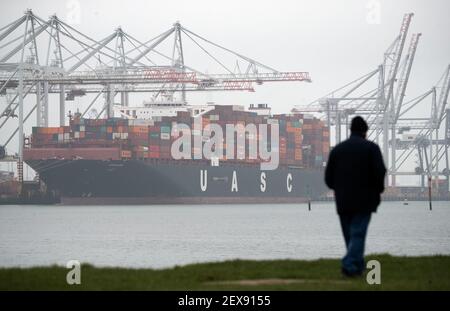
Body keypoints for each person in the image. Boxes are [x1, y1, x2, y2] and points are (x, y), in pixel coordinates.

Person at [325, 116, 386, 277]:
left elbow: (328, 178)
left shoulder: (337, 150)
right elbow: (380, 172)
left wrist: (338, 188)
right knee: (358, 233)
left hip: (343, 201)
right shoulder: (372, 148)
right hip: (365, 200)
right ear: (365, 131)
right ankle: (349, 264)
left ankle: (356, 268)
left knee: (350, 235)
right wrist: (377, 190)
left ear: (350, 130)